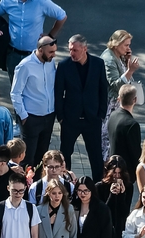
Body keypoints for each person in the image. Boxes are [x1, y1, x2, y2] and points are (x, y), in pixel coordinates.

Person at [55, 34, 108, 181]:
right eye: (70, 50)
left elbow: (103, 90)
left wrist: (101, 114)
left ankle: (97, 186)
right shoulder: (64, 66)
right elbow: (58, 93)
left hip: (92, 119)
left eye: (75, 50)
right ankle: (67, 183)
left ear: (85, 49)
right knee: (65, 153)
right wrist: (60, 117)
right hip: (70, 119)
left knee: (95, 154)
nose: (72, 53)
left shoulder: (98, 64)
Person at [0, 0, 66, 82]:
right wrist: (1, 28)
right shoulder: (8, 1)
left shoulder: (41, 2)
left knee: (35, 89)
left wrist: (50, 36)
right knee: (16, 89)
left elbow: (62, 16)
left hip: (35, 56)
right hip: (13, 55)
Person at [10, 36, 57, 169]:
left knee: (42, 157)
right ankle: (25, 187)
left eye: (54, 51)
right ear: (41, 50)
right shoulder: (25, 66)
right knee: (28, 157)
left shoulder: (50, 62)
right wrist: (24, 116)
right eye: (51, 52)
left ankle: (38, 186)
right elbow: (15, 93)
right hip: (31, 118)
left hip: (48, 116)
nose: (54, 55)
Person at [101, 30, 140, 161]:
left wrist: (127, 61)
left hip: (117, 104)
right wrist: (130, 70)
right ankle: (106, 167)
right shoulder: (109, 59)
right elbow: (116, 85)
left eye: (129, 45)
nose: (128, 48)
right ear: (116, 44)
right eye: (126, 45)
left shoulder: (118, 56)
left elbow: (126, 80)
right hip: (110, 105)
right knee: (106, 138)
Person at [108, 84, 142, 176]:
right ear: (135, 100)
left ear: (119, 98)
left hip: (112, 168)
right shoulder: (132, 124)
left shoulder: (113, 115)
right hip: (125, 173)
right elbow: (136, 153)